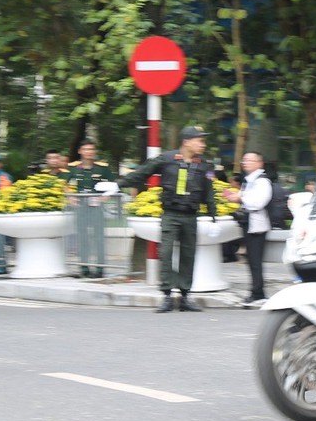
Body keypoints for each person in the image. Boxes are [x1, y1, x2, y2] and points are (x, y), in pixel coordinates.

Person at [123, 127, 225, 312]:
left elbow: (209, 192)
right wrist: (117, 184)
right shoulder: (167, 159)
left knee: (188, 255)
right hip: (171, 214)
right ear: (187, 142)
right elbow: (142, 172)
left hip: (190, 215)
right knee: (166, 254)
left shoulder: (204, 165)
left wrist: (213, 217)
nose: (203, 144)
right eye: (199, 140)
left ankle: (185, 297)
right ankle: (167, 296)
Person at [231, 151, 277, 305]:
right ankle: (258, 292)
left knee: (255, 261)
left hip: (257, 225)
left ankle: (257, 293)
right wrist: (235, 198)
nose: (245, 163)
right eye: (244, 160)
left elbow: (258, 202)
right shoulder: (249, 181)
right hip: (250, 224)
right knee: (252, 260)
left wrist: (240, 197)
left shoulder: (262, 181)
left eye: (249, 160)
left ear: (259, 163)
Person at [67, 140, 113, 278]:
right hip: (80, 205)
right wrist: (70, 197)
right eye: (86, 149)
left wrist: (104, 197)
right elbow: (63, 184)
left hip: (96, 205)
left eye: (91, 149)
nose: (89, 152)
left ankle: (100, 268)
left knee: (99, 236)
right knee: (82, 236)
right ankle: (84, 267)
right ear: (80, 151)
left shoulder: (102, 168)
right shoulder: (73, 168)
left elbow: (113, 186)